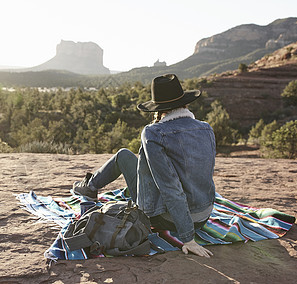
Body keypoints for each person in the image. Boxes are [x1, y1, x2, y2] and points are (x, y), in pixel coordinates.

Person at [73, 74, 216, 258]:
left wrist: (188, 238)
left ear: (159, 108)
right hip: (203, 216)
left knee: (124, 155)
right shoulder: (206, 128)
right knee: (135, 159)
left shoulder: (153, 132)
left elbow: (170, 188)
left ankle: (89, 187)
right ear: (185, 103)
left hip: (168, 220)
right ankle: (89, 186)